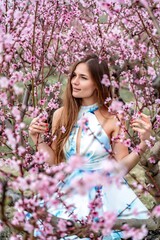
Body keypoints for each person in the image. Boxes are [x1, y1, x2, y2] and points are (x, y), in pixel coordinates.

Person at [29, 54, 152, 239]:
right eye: (74, 76)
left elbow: (121, 167)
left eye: (83, 78)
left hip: (103, 193)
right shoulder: (61, 114)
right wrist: (36, 138)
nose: (74, 82)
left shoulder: (114, 117)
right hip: (68, 189)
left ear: (98, 84)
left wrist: (143, 143)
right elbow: (55, 161)